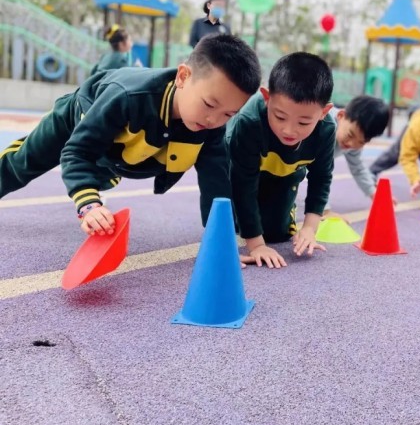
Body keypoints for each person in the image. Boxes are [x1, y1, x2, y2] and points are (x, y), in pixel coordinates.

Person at [0, 34, 261, 235]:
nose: (214, 119)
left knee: (105, 166)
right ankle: (101, 171)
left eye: (229, 114)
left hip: (123, 149)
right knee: (24, 163)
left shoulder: (211, 125)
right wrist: (89, 206)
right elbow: (77, 151)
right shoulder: (127, 97)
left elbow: (216, 181)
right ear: (183, 76)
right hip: (80, 115)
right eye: (210, 104)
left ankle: (105, 170)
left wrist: (222, 239)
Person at [227, 52, 335, 269]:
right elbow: (242, 184)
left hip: (285, 172)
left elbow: (321, 178)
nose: (289, 130)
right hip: (237, 169)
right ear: (267, 98)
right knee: (232, 221)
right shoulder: (248, 123)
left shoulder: (326, 130)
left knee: (277, 233)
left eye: (304, 123)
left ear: (324, 112)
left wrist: (309, 228)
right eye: (280, 117)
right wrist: (256, 245)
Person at [327, 95, 389, 208]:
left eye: (361, 142)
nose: (351, 144)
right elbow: (319, 173)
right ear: (341, 116)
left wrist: (373, 192)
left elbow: (358, 168)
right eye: (350, 135)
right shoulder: (323, 125)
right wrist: (323, 209)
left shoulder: (353, 143)